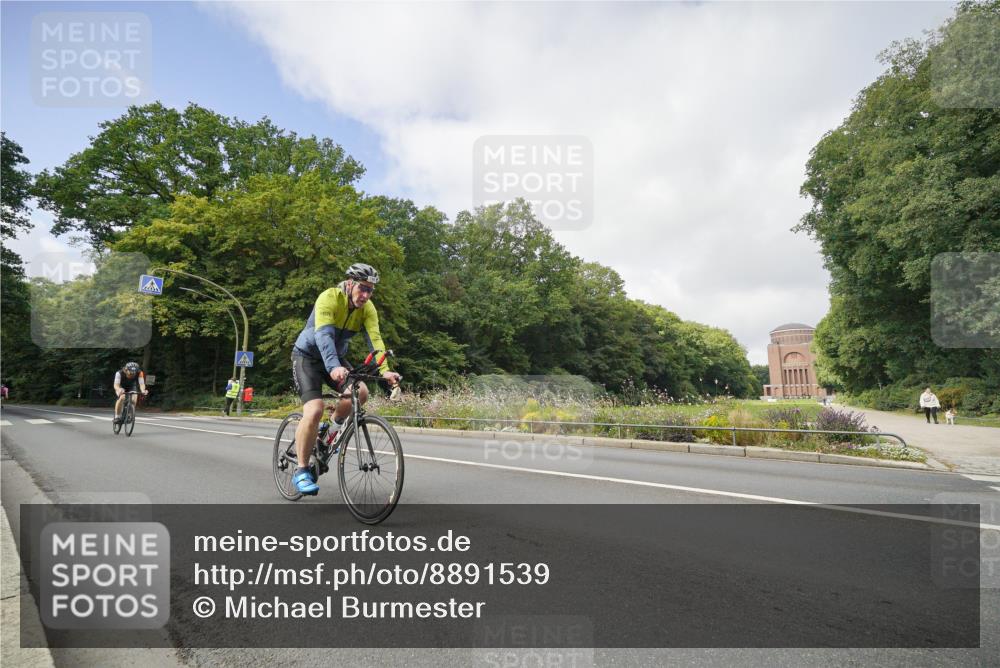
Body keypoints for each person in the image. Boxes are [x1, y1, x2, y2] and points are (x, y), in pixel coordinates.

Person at [289, 263, 401, 495]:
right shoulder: (329, 298)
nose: (366, 295)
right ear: (350, 283)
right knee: (314, 409)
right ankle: (301, 470)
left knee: (360, 392)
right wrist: (332, 367)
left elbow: (376, 340)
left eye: (370, 290)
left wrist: (385, 371)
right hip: (308, 357)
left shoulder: (368, 308)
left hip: (336, 360)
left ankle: (329, 431)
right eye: (362, 288)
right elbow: (324, 336)